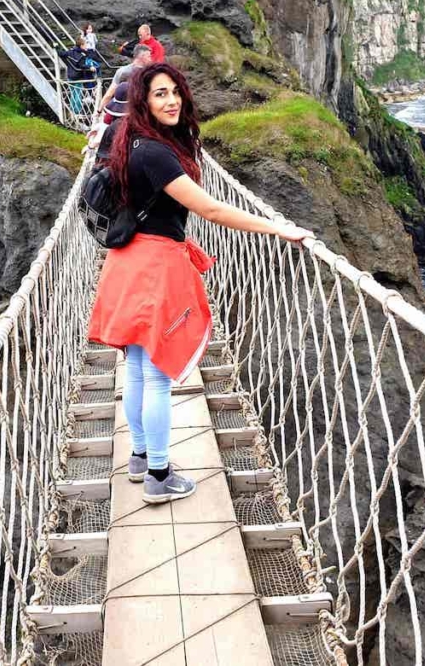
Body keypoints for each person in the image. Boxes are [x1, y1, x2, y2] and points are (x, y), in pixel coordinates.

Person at [87, 63, 313, 504]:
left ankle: (138, 457)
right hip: (154, 268)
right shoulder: (154, 152)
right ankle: (158, 475)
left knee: (134, 366)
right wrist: (276, 227)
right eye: (159, 95)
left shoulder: (126, 137)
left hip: (125, 261)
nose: (171, 101)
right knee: (156, 375)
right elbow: (212, 210)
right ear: (143, 102)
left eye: (175, 92)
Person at [98, 43, 151, 113]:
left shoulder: (122, 71)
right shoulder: (150, 73)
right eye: (149, 56)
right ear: (142, 57)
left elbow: (109, 94)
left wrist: (99, 110)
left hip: (123, 111)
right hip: (143, 111)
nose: (150, 59)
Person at [58, 36, 99, 114]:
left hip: (70, 76)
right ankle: (77, 111)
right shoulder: (81, 55)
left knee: (73, 93)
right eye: (85, 44)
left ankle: (72, 109)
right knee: (77, 94)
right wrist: (90, 67)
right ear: (81, 45)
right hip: (78, 77)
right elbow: (82, 65)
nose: (87, 46)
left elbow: (61, 53)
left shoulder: (71, 51)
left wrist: (56, 48)